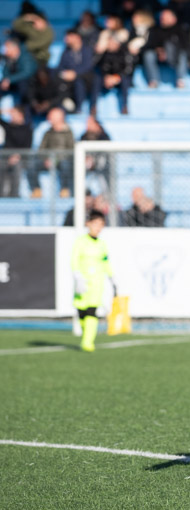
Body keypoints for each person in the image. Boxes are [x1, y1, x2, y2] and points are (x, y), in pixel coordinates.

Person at [71, 209, 116, 352]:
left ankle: (88, 342)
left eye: (101, 224)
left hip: (97, 283)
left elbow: (105, 261)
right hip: (82, 282)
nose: (98, 227)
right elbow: (74, 259)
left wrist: (111, 277)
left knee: (92, 310)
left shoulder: (102, 244)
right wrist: (77, 276)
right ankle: (87, 334)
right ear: (88, 223)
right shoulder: (81, 242)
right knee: (81, 311)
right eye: (96, 224)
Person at [142, 8, 190, 89]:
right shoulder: (154, 30)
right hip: (158, 57)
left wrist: (169, 52)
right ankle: (154, 81)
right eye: (162, 17)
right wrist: (159, 51)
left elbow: (186, 46)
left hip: (175, 57)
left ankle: (180, 80)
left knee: (182, 53)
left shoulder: (180, 30)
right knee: (148, 54)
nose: (163, 19)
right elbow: (148, 45)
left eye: (166, 17)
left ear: (174, 19)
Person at [31, 107, 75, 198]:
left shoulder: (68, 133)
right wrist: (46, 159)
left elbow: (71, 150)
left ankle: (64, 190)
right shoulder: (48, 133)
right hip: (48, 160)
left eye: (51, 116)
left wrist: (56, 159)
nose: (48, 118)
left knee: (66, 165)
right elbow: (41, 149)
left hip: (62, 160)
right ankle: (36, 190)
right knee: (32, 165)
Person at [57, 30, 100, 115]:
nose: (66, 39)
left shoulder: (87, 49)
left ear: (77, 38)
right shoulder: (66, 52)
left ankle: (92, 106)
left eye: (69, 36)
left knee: (93, 79)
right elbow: (60, 67)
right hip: (71, 81)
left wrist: (75, 73)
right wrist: (65, 74)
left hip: (87, 79)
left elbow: (88, 66)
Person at [97, 36, 135, 114]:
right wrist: (106, 77)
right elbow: (99, 67)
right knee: (96, 80)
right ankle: (93, 107)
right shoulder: (105, 54)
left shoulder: (125, 53)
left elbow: (128, 69)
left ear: (117, 44)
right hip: (108, 80)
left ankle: (124, 106)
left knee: (125, 81)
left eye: (111, 43)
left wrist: (117, 77)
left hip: (121, 78)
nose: (109, 45)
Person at [0, 106, 32, 198]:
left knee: (17, 167)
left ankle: (14, 195)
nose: (11, 116)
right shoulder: (8, 127)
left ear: (21, 115)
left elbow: (27, 147)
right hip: (6, 158)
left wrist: (17, 156)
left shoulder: (28, 129)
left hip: (20, 158)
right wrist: (4, 111)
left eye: (14, 114)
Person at [1, 39, 37, 107]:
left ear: (14, 48)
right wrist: (5, 80)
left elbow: (27, 73)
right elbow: (5, 72)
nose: (4, 50)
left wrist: (9, 80)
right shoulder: (8, 59)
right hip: (14, 85)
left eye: (6, 48)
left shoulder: (26, 57)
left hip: (30, 85)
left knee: (23, 84)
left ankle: (24, 107)